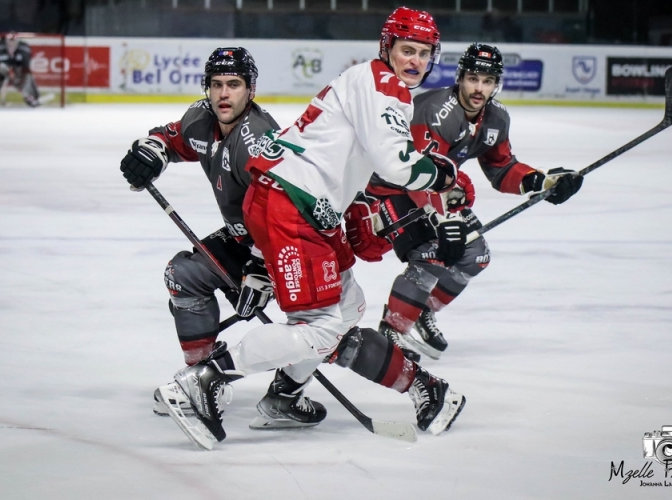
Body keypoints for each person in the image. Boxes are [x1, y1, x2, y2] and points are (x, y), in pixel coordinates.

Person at [154, 7, 466, 447]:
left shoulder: (371, 83)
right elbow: (395, 164)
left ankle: (285, 395)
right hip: (294, 207)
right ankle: (204, 380)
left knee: (349, 307)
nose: (413, 60)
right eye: (406, 50)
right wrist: (440, 178)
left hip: (302, 206)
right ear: (387, 49)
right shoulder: (383, 85)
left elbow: (378, 162)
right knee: (320, 327)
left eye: (423, 53)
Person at [120, 47, 331, 430]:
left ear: (250, 90)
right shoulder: (202, 119)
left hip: (291, 249)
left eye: (233, 85)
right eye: (216, 85)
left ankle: (287, 393)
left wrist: (264, 268)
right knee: (183, 275)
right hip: (246, 242)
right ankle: (200, 381)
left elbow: (285, 214)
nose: (223, 94)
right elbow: (173, 139)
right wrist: (153, 151)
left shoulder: (258, 141)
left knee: (320, 325)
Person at [345, 43, 584, 361]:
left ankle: (421, 311)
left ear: (496, 84)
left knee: (476, 254)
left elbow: (502, 169)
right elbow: (415, 173)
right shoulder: (435, 111)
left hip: (436, 192)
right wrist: (444, 221)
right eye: (473, 78)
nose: (479, 88)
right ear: (460, 78)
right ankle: (393, 330)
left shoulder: (496, 118)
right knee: (433, 252)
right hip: (387, 190)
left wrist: (542, 181)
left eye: (487, 81)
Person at [0, 32, 40, 107]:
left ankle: (32, 97)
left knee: (28, 78)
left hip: (18, 72)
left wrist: (18, 80)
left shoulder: (24, 49)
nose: (12, 43)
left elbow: (26, 68)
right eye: (10, 41)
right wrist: (1, 70)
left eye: (14, 41)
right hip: (1, 71)